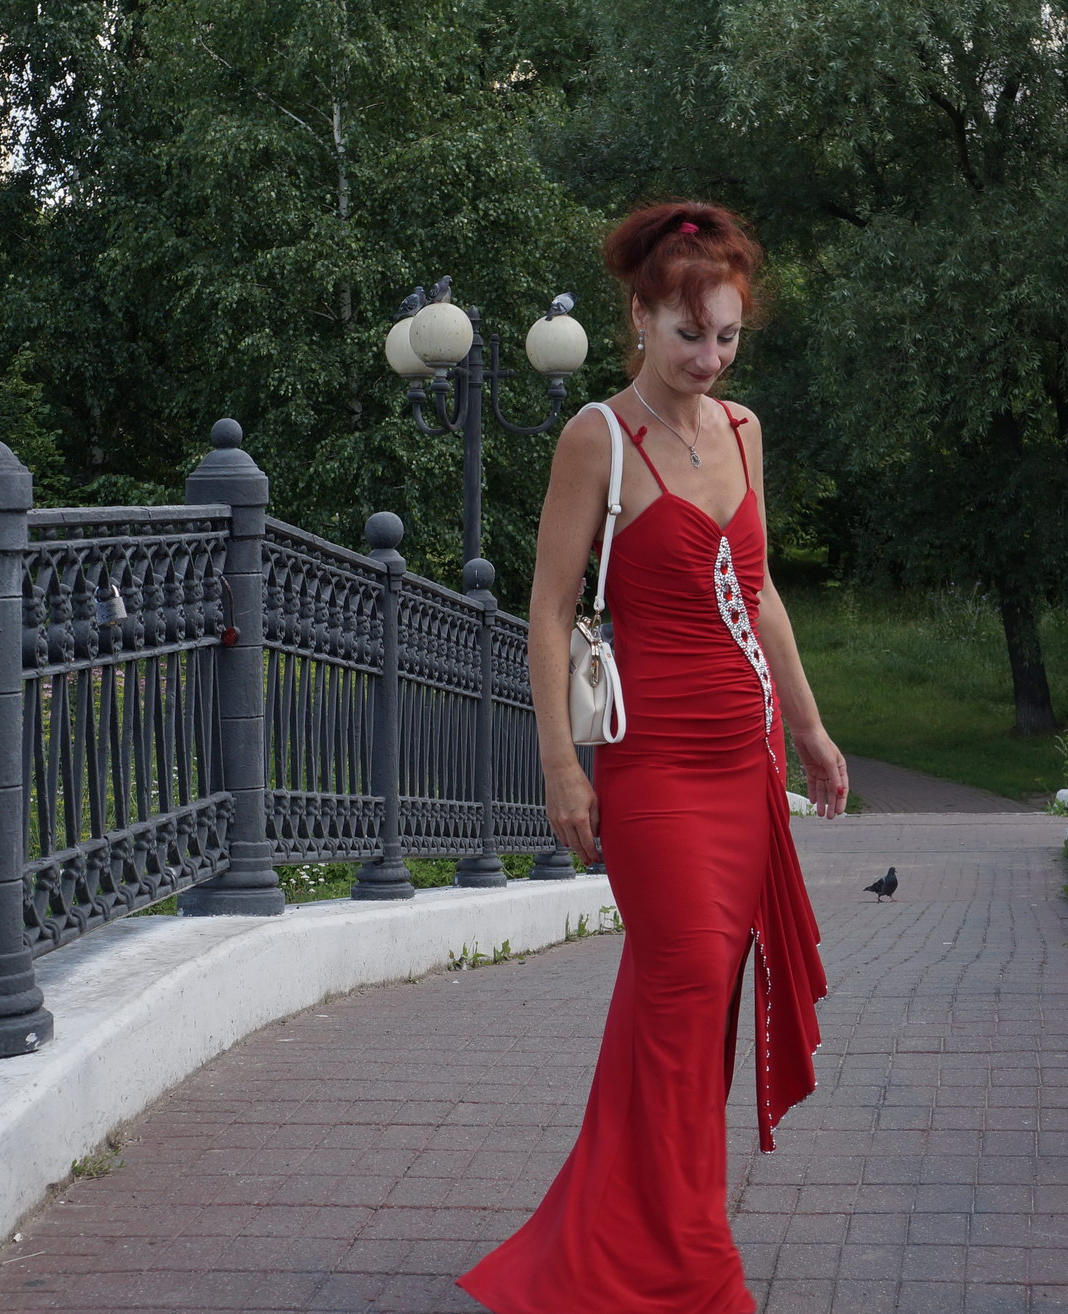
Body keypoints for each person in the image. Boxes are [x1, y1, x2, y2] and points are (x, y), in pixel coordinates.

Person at [456, 201, 845, 1314]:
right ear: (638, 315)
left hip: (744, 762)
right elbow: (546, 613)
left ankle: (611, 1242)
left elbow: (759, 590)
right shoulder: (598, 437)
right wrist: (559, 767)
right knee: (683, 989)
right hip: (656, 769)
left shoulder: (743, 430)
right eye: (688, 335)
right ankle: (689, 1268)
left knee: (685, 1008)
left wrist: (809, 728)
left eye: (727, 336)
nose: (709, 358)